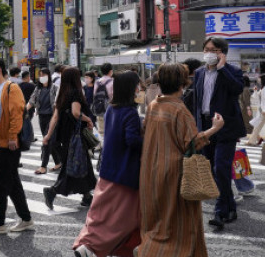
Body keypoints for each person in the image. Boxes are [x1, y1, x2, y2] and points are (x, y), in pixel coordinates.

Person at [139, 63, 224, 257]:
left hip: (151, 170)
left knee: (156, 220)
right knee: (180, 223)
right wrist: (215, 128)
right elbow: (192, 143)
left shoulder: (154, 105)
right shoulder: (179, 110)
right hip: (174, 173)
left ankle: (149, 248)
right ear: (182, 83)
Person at [73, 71, 143, 257]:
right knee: (123, 217)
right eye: (137, 85)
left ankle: (89, 244)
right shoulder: (130, 113)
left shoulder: (113, 108)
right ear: (131, 88)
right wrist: (148, 136)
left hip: (108, 170)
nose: (139, 88)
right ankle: (94, 248)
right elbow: (132, 141)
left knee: (101, 213)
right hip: (125, 172)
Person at [191, 36, 246, 230]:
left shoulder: (233, 71)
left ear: (222, 52)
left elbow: (237, 89)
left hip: (226, 126)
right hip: (206, 125)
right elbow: (197, 101)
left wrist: (222, 68)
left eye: (213, 50)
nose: (208, 53)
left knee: (221, 168)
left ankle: (220, 212)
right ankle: (230, 207)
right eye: (206, 49)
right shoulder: (198, 73)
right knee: (213, 170)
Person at [0, 58, 33, 235]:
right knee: (12, 183)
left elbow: (17, 112)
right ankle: (26, 219)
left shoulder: (11, 87)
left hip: (8, 143)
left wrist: (12, 137)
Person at [43, 67, 97, 210]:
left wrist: (48, 136)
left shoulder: (62, 94)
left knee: (79, 164)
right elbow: (75, 112)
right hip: (76, 136)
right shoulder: (76, 93)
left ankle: (87, 196)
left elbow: (55, 117)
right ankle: (52, 191)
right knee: (74, 165)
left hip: (65, 137)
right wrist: (88, 120)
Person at [30, 68, 61, 175]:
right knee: (49, 140)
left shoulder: (55, 88)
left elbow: (58, 103)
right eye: (40, 75)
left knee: (47, 141)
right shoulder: (37, 89)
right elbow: (31, 101)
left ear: (48, 76)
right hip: (41, 117)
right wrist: (23, 111)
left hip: (52, 117)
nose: (41, 77)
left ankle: (43, 166)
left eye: (43, 75)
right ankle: (58, 162)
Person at [247, 73, 265, 145]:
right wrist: (255, 91)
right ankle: (254, 140)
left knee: (260, 125)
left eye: (260, 78)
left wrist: (264, 110)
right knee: (260, 125)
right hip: (264, 110)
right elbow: (259, 96)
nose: (258, 80)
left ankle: (253, 140)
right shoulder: (264, 88)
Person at [93, 63, 114, 139]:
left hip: (99, 109)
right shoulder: (113, 82)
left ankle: (102, 147)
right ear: (111, 71)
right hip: (111, 110)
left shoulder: (97, 82)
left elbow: (94, 95)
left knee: (101, 132)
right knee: (111, 131)